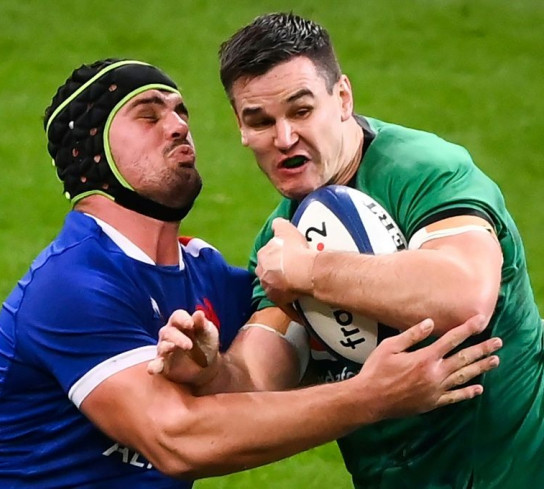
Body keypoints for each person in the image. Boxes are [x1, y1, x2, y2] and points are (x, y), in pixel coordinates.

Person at [0, 58, 502, 489]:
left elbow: (262, 373)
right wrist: (372, 397)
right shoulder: (73, 284)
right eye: (149, 115)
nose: (179, 126)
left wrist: (212, 371)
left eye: (180, 111)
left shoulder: (208, 275)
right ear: (92, 154)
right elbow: (177, 439)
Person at [153, 12, 543, 489]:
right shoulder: (279, 244)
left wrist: (313, 272)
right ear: (240, 126)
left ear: (341, 98)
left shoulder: (423, 173)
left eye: (301, 111)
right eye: (260, 121)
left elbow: (465, 298)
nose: (284, 138)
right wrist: (211, 371)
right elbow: (257, 379)